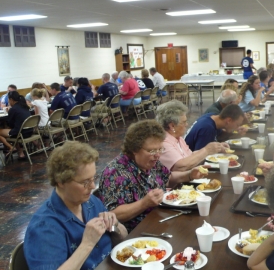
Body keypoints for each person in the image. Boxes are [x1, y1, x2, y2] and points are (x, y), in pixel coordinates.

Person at [24, 141, 128, 270]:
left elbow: (123, 237)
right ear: (61, 181)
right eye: (85, 182)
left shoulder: (90, 201)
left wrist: (114, 226)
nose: (92, 186)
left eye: (93, 178)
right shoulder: (44, 227)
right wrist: (87, 244)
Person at [98, 120, 208, 232]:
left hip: (162, 218)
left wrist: (189, 175)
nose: (157, 155)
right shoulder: (115, 173)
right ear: (134, 149)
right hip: (139, 232)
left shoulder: (151, 162)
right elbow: (113, 213)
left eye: (160, 149)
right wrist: (144, 203)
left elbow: (167, 178)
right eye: (151, 150)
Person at [156, 100, 224, 171]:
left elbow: (191, 156)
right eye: (184, 122)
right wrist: (206, 150)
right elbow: (181, 166)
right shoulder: (164, 143)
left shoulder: (178, 138)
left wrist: (216, 148)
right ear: (172, 126)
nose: (186, 124)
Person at [0, 91, 31, 159]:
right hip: (30, 131)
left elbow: (10, 124)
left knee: (5, 131)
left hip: (21, 133)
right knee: (14, 130)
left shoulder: (13, 109)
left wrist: (9, 113)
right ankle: (20, 153)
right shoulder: (24, 106)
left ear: (11, 99)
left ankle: (11, 147)